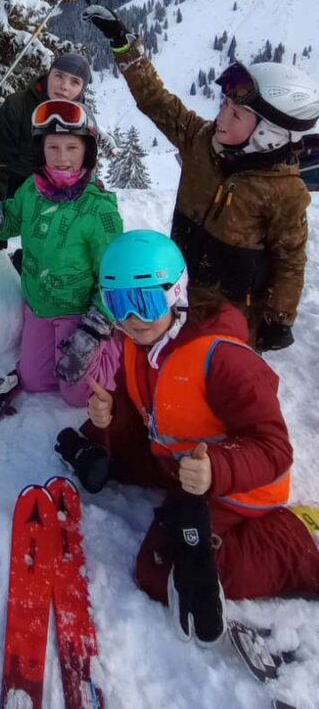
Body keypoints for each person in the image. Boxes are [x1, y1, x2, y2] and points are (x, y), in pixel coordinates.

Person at [70, 230, 319, 644]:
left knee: (159, 569)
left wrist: (216, 469)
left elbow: (275, 448)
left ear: (176, 293)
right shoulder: (138, 342)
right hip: (180, 467)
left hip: (241, 487)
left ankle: (293, 545)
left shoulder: (222, 359)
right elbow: (142, 412)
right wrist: (107, 416)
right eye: (119, 303)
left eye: (146, 301)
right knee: (111, 462)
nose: (133, 318)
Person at [84, 3, 319, 350]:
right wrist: (122, 44)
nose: (221, 118)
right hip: (178, 292)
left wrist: (279, 318)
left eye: (236, 114)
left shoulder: (284, 191)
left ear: (269, 134)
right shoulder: (201, 141)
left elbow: (290, 258)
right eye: (224, 105)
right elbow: (157, 101)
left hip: (229, 316)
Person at [0, 99, 123, 405]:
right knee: (34, 381)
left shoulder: (99, 211)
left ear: (87, 150)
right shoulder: (32, 190)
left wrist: (95, 328)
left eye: (72, 148)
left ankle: (112, 348)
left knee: (77, 394)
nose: (62, 158)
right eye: (53, 148)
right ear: (40, 150)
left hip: (77, 310)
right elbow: (13, 219)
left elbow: (114, 275)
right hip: (38, 304)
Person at [0, 50, 92, 203]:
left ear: (81, 90)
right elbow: (0, 162)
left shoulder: (81, 120)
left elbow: (84, 168)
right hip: (15, 195)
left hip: (57, 200)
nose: (64, 86)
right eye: (59, 76)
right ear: (49, 75)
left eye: (74, 82)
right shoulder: (18, 105)